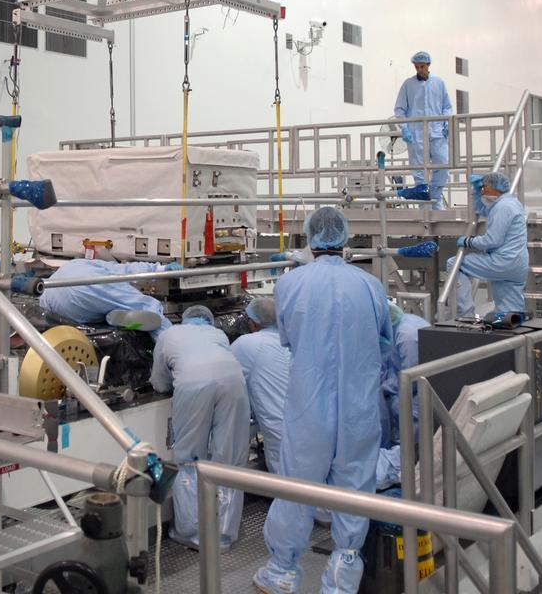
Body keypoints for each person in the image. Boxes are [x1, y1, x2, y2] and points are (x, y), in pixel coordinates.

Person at [254, 207, 393, 594]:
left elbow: (286, 338)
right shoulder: (370, 285)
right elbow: (385, 340)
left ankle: (282, 570)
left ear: (309, 239)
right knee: (355, 486)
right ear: (345, 238)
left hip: (308, 402)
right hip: (358, 405)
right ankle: (343, 574)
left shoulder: (290, 284)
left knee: (299, 486)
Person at [150, 305, 251, 549]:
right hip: (234, 384)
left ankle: (190, 532)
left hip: (193, 385)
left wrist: (163, 388)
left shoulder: (168, 334)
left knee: (188, 458)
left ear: (184, 320)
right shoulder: (219, 334)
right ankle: (224, 535)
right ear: (208, 320)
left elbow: (160, 378)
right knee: (229, 458)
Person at [446, 172, 529, 317]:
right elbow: (482, 210)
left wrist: (468, 241)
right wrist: (476, 192)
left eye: (485, 187)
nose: (483, 190)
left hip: (502, 262)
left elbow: (492, 241)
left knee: (454, 264)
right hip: (518, 264)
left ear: (496, 187)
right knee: (510, 311)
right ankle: (513, 331)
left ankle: (465, 314)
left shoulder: (502, 207)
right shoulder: (511, 203)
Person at [38, 257, 175, 337]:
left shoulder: (78, 262)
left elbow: (124, 270)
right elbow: (125, 271)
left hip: (50, 295)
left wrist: (158, 270)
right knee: (148, 307)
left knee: (96, 311)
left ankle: (111, 316)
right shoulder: (99, 274)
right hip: (87, 285)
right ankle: (174, 344)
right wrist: (160, 269)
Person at [231, 296, 291, 474]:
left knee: (290, 490)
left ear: (254, 324)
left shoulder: (247, 344)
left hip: (280, 432)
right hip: (310, 424)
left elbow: (221, 371)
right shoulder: (290, 340)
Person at [376, 303, 431, 488]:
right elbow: (387, 365)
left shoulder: (407, 335)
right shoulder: (392, 331)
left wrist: (387, 387)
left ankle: (407, 465)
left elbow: (412, 378)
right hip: (401, 389)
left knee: (410, 442)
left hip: (417, 395)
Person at [393, 51, 453, 210]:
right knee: (419, 169)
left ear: (428, 65)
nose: (419, 69)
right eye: (417, 67)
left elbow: (447, 107)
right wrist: (405, 128)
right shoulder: (408, 85)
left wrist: (446, 123)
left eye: (422, 66)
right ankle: (424, 207)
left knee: (443, 163)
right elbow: (399, 109)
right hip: (416, 133)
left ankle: (435, 199)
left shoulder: (439, 83)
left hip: (437, 131)